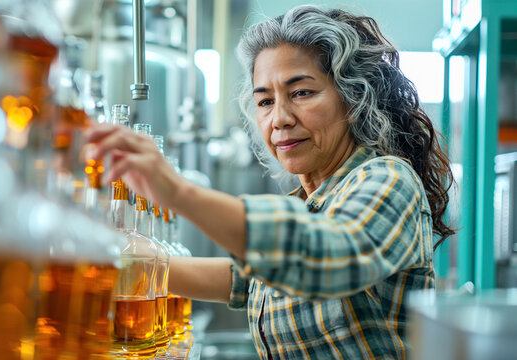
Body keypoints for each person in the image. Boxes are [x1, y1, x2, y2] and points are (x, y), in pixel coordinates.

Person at [87, 4, 454, 359]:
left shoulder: (389, 179)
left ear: (354, 96)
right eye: (265, 101)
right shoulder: (309, 201)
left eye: (301, 93)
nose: (279, 119)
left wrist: (177, 191)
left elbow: (325, 257)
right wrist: (116, 259)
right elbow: (246, 281)